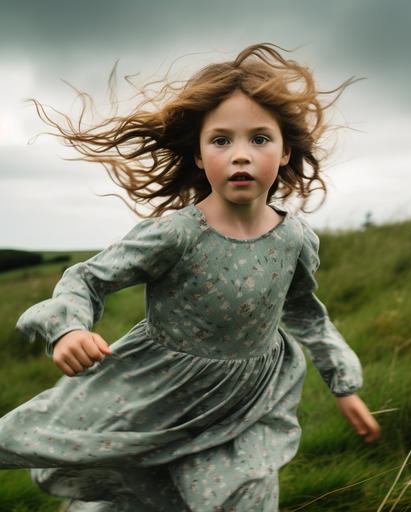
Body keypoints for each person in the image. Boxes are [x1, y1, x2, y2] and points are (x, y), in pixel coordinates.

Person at [0, 42, 380, 511]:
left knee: (243, 494)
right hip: (157, 390)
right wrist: (69, 327)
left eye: (259, 139)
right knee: (138, 494)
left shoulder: (296, 238)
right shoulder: (176, 235)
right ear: (199, 157)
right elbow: (87, 278)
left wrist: (345, 386)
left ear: (284, 152)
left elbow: (304, 312)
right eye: (221, 140)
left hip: (249, 400)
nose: (241, 155)